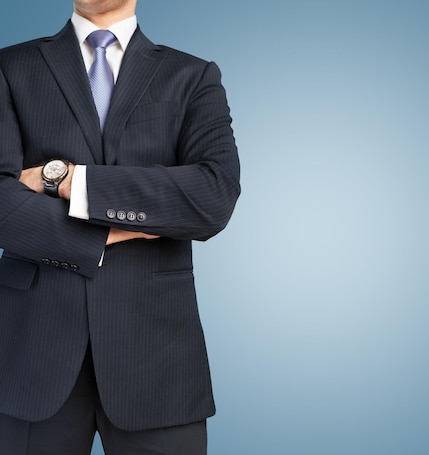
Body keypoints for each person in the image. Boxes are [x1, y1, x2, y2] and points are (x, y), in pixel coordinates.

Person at [0, 0, 240, 453]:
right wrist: (122, 227)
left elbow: (212, 196)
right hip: (30, 357)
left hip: (158, 362)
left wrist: (67, 179)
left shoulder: (193, 76)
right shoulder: (9, 68)